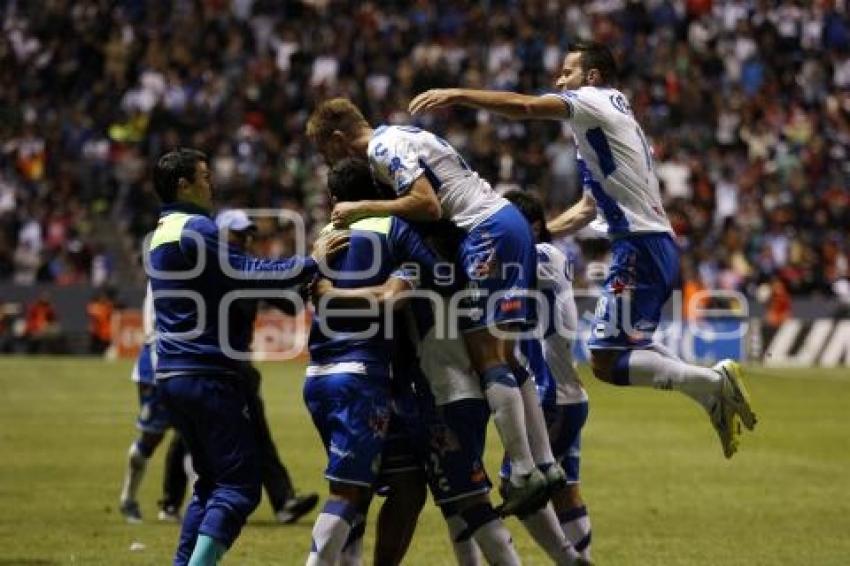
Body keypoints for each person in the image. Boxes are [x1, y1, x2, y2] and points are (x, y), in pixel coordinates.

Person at [409, 41, 757, 458]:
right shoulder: (609, 122)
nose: (559, 81)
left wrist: (459, 95)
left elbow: (525, 107)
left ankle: (715, 383)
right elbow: (589, 208)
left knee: (605, 360)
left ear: (591, 77)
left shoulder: (592, 101)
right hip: (652, 243)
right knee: (629, 348)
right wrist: (535, 234)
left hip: (639, 246)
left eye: (567, 72)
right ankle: (709, 393)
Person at [307, 99, 563, 517]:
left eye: (325, 152)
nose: (327, 162)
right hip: (504, 220)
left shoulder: (382, 149)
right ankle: (546, 464)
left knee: (486, 356)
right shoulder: (403, 133)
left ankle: (521, 471)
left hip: (485, 231)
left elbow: (428, 205)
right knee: (508, 355)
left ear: (337, 139)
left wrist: (362, 207)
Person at [147, 147, 347, 566]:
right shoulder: (196, 228)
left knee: (209, 486)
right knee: (239, 488)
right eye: (204, 176)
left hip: (171, 372)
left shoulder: (162, 232)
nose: (211, 182)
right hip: (208, 372)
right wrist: (312, 262)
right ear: (183, 184)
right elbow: (245, 272)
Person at [302, 158, 443, 566]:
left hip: (322, 377)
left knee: (404, 482)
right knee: (348, 492)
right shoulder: (393, 229)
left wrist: (327, 290)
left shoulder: (324, 236)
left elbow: (303, 290)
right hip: (360, 375)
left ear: (333, 198)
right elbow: (438, 273)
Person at [214, 208, 319, 524]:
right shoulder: (215, 268)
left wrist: (307, 285)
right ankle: (176, 500)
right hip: (209, 365)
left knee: (255, 434)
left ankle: (284, 501)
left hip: (236, 367)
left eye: (247, 234)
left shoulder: (244, 269)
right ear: (220, 236)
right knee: (197, 437)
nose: (246, 239)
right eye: (238, 234)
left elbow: (287, 302)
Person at [505, 190, 592, 562]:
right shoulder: (549, 255)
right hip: (563, 394)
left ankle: (570, 561)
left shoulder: (540, 257)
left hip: (548, 398)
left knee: (517, 488)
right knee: (564, 489)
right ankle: (582, 560)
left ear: (532, 227)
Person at [119, 282, 191, 524]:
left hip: (187, 363)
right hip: (159, 364)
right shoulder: (166, 269)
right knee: (151, 437)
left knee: (195, 438)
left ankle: (197, 508)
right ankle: (128, 498)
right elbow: (154, 327)